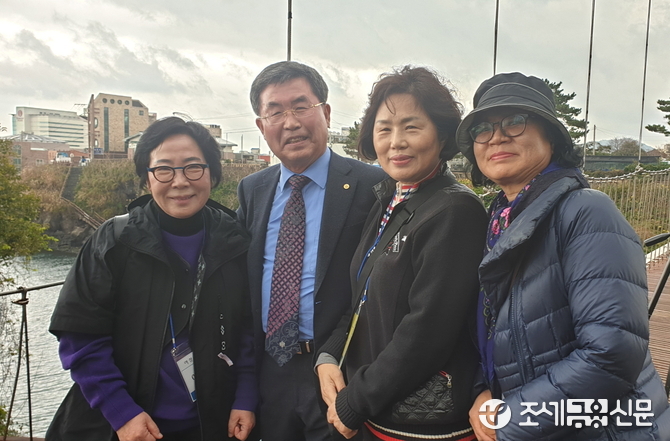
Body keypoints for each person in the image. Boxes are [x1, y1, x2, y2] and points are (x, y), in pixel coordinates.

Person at [455, 72, 670, 441]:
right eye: (483, 128)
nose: (497, 137)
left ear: (551, 137)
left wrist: (512, 420)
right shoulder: (499, 220)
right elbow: (490, 327)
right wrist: (482, 390)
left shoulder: (586, 211)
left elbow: (612, 353)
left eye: (515, 121)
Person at [48, 117, 257, 441]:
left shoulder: (236, 243)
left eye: (193, 167)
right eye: (163, 170)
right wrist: (122, 413)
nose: (180, 181)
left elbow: (248, 332)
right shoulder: (114, 242)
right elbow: (80, 336)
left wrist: (245, 397)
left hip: (213, 425)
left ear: (212, 174)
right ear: (147, 178)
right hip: (121, 426)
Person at [316, 66, 488, 441]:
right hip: (381, 413)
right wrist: (329, 354)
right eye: (384, 129)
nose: (396, 142)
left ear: (442, 135)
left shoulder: (455, 211)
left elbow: (426, 332)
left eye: (412, 127)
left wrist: (355, 401)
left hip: (423, 425)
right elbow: (362, 299)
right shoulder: (389, 201)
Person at [236, 61, 387, 441]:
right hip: (270, 370)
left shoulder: (373, 185)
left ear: (326, 113)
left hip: (340, 368)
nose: (290, 123)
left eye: (301, 107)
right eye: (275, 112)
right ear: (261, 126)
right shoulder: (253, 190)